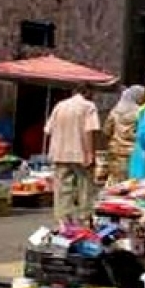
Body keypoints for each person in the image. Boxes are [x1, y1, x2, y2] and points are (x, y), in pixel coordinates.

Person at [45, 84, 100, 225]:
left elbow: (48, 130)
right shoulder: (88, 106)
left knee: (62, 188)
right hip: (79, 152)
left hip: (59, 152)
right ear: (88, 92)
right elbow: (89, 131)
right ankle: (84, 218)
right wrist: (89, 153)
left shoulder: (60, 105)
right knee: (85, 186)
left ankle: (63, 219)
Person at [102, 85, 145, 184]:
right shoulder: (141, 112)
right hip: (135, 152)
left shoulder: (115, 110)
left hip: (116, 151)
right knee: (133, 181)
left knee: (116, 181)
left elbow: (107, 130)